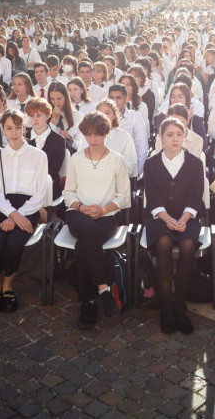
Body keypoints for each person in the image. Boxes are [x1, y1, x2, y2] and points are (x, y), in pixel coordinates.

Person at [62, 111, 130, 329]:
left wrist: (102, 209)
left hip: (107, 216)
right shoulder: (76, 158)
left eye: (98, 134)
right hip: (78, 214)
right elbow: (68, 192)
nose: (93, 139)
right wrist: (81, 207)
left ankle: (88, 302)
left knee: (84, 245)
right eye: (89, 134)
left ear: (105, 133)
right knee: (87, 231)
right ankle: (103, 288)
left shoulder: (117, 160)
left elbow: (124, 196)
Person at [144, 117, 204, 334]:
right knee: (163, 242)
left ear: (185, 136)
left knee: (188, 245)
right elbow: (152, 197)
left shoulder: (195, 163)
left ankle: (179, 304)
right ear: (161, 138)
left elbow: (196, 196)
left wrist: (183, 219)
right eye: (169, 135)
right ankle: (166, 307)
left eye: (179, 134)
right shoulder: (151, 163)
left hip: (187, 217)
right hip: (160, 217)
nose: (175, 139)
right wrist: (167, 218)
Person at [0, 109, 48, 313]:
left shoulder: (38, 156)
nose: (14, 133)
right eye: (9, 128)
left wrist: (19, 215)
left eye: (18, 128)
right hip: (2, 207)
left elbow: (39, 193)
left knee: (13, 245)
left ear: (24, 128)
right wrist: (12, 214)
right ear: (2, 129)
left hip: (29, 208)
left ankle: (8, 286)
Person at [25, 97, 68, 206]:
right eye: (31, 116)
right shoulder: (24, 138)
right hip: (25, 186)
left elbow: (53, 170)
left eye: (39, 115)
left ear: (48, 115)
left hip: (49, 187)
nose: (35, 119)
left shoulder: (59, 140)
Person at [83, 99, 137, 178]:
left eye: (107, 113)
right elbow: (80, 161)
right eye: (99, 113)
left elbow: (131, 168)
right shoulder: (86, 137)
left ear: (114, 116)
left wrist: (107, 170)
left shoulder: (125, 138)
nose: (103, 117)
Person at [108, 83, 148, 172]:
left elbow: (141, 145)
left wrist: (138, 171)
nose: (114, 101)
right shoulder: (101, 118)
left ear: (126, 99)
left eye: (118, 98)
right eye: (111, 98)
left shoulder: (135, 118)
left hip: (127, 169)